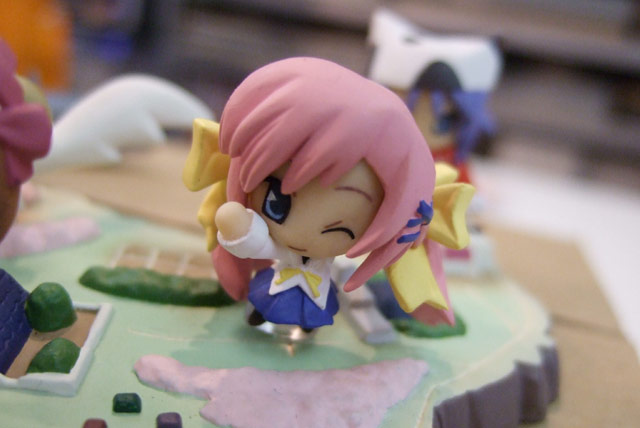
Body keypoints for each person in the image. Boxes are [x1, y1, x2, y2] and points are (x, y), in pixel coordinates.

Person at [184, 57, 473, 330]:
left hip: (317, 289)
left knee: (310, 316)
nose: (301, 235)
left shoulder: (329, 259)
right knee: (264, 302)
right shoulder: (280, 247)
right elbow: (257, 244)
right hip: (279, 281)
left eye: (342, 228)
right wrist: (239, 231)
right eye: (277, 204)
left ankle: (304, 329)